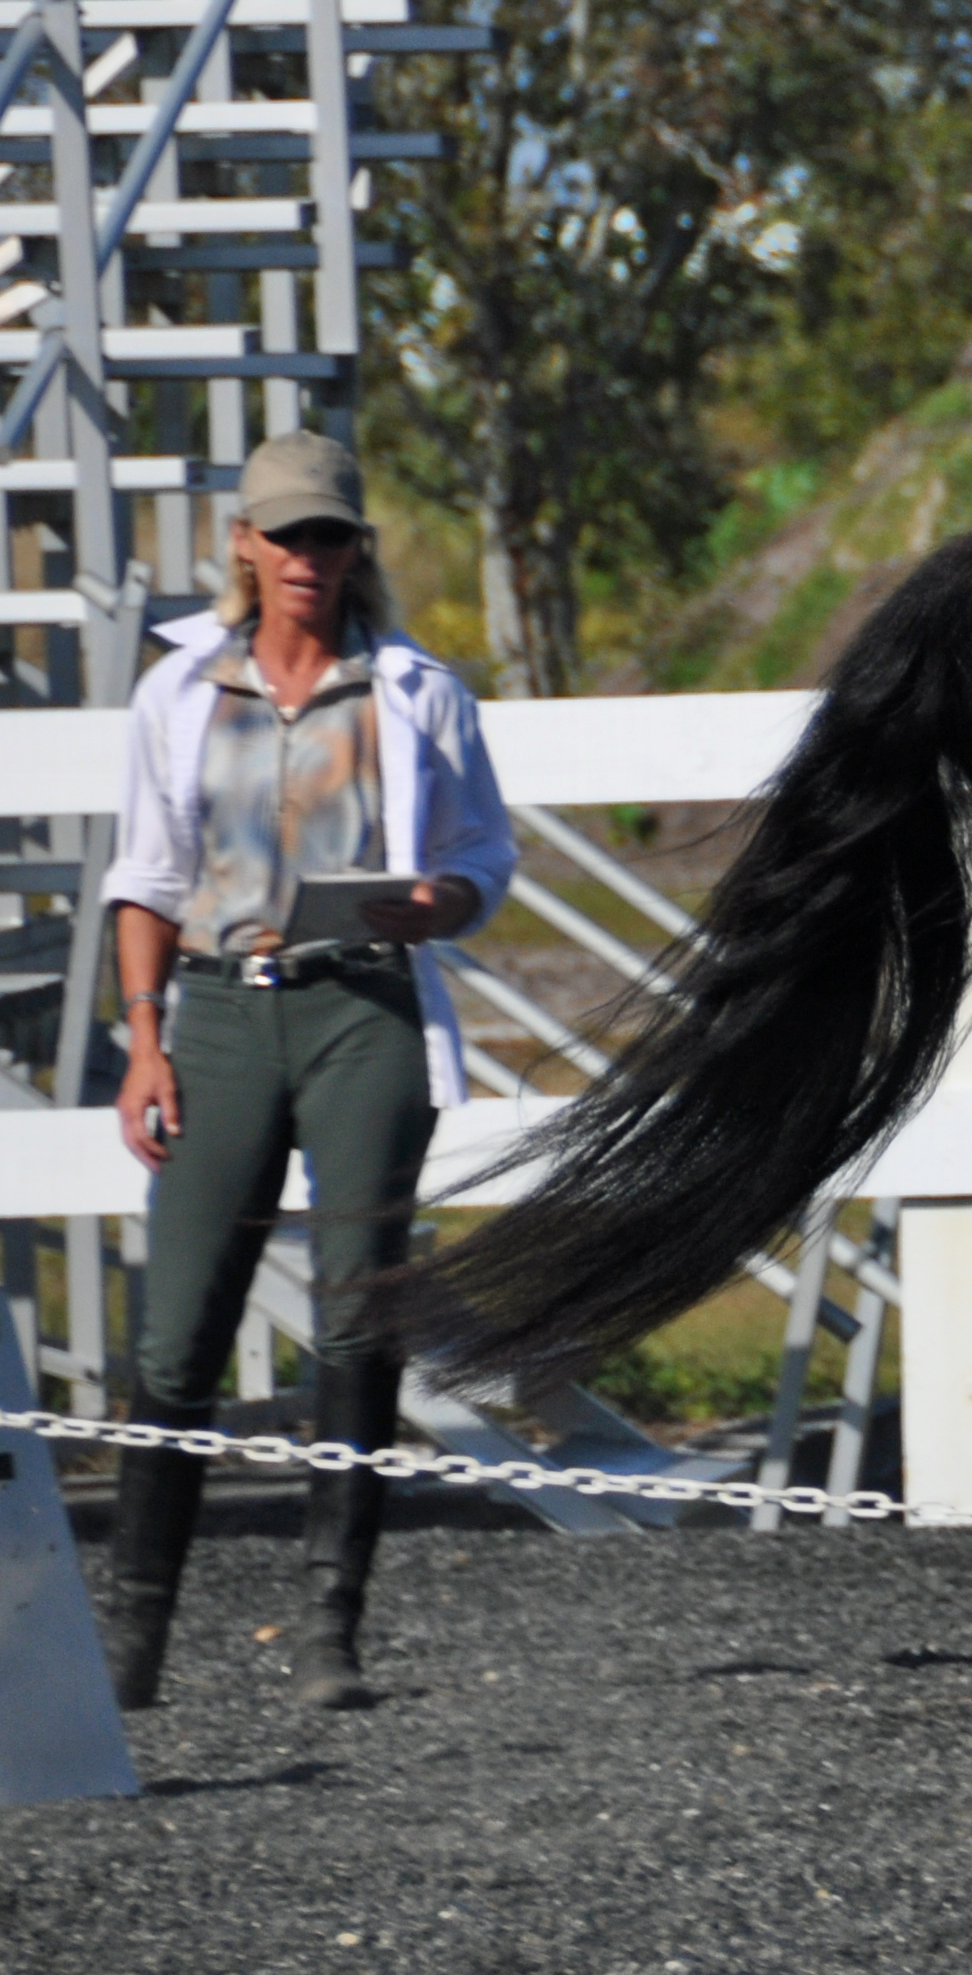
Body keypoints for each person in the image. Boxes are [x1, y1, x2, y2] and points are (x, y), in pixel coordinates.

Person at [95, 429, 516, 1710]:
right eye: (284, 534)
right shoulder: (178, 693)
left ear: (353, 549)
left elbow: (484, 855)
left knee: (354, 1310)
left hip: (363, 1008)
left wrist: (440, 899)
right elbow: (146, 875)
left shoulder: (416, 690)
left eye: (327, 534)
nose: (305, 558)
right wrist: (144, 1036)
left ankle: (333, 1624)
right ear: (243, 542)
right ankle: (136, 1636)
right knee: (179, 1327)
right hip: (222, 1013)